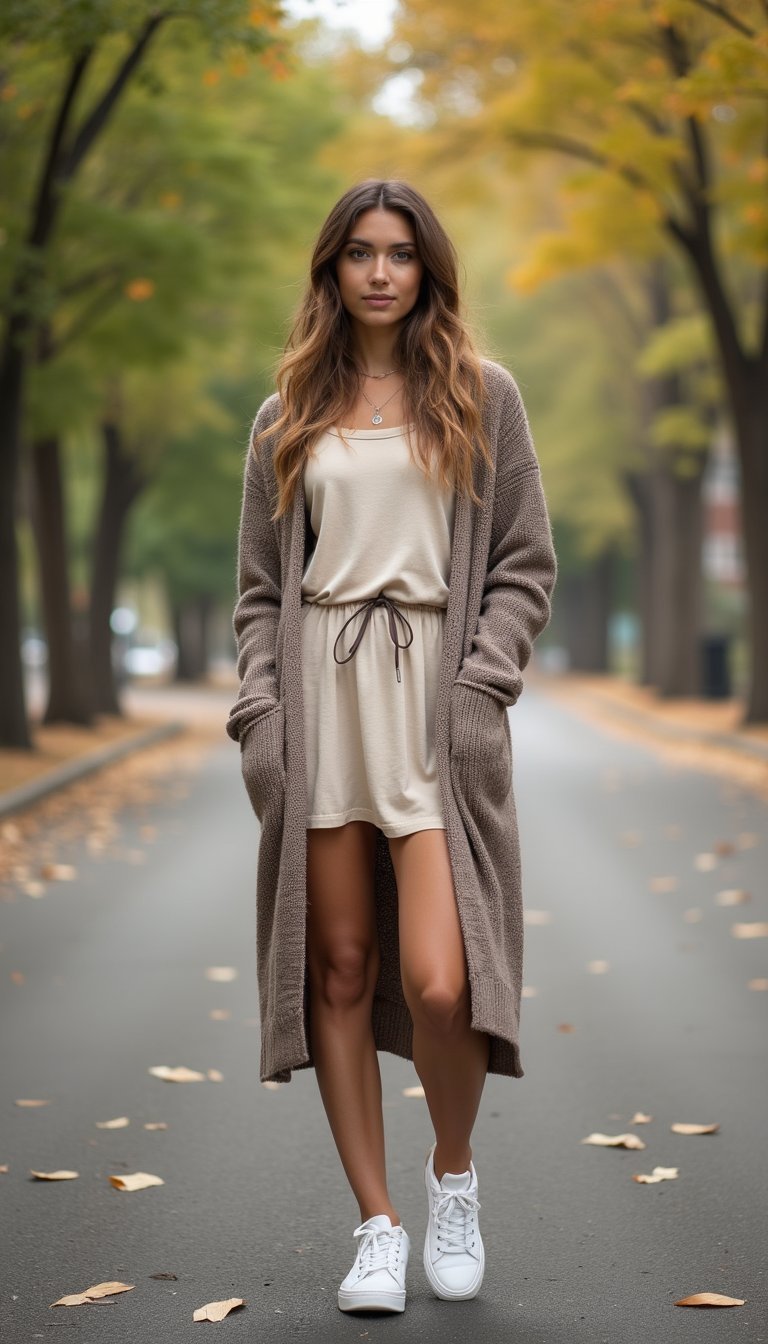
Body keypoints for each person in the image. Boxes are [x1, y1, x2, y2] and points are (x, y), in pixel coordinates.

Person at [226, 179, 557, 1315]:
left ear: (428, 269)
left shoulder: (482, 396)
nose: (379, 272)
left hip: (434, 710)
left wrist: (482, 686)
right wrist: (262, 719)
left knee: (443, 975)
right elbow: (261, 594)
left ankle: (451, 1179)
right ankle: (376, 1226)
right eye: (359, 253)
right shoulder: (287, 413)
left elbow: (523, 563)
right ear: (331, 270)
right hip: (323, 709)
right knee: (342, 969)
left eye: (400, 254)